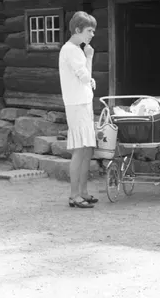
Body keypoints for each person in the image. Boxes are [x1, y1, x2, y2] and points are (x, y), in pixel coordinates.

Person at [59, 11, 98, 209]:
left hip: (83, 103)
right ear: (77, 30)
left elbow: (85, 79)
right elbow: (84, 77)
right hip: (77, 104)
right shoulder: (72, 50)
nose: (92, 34)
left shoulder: (75, 50)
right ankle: (74, 195)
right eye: (89, 30)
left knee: (87, 148)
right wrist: (89, 58)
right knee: (80, 149)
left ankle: (82, 191)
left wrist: (89, 79)